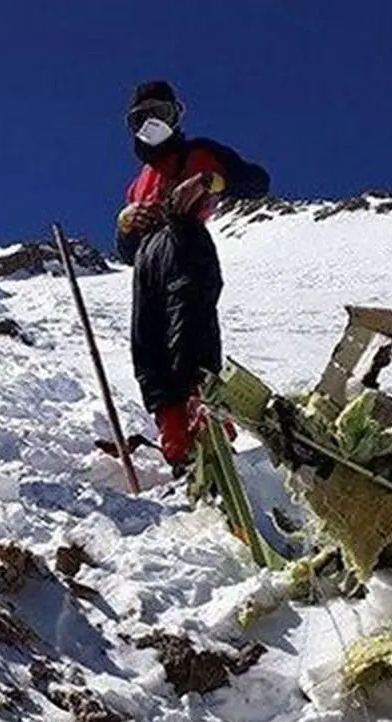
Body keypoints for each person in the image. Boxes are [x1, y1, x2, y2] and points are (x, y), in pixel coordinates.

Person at [116, 81, 270, 470]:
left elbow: (256, 181)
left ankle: (208, 424)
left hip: (186, 244)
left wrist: (208, 182)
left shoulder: (199, 153)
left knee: (191, 336)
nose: (153, 125)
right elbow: (127, 252)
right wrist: (126, 223)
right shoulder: (139, 182)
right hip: (148, 260)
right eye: (143, 118)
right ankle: (175, 438)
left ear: (176, 116)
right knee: (148, 347)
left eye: (162, 114)